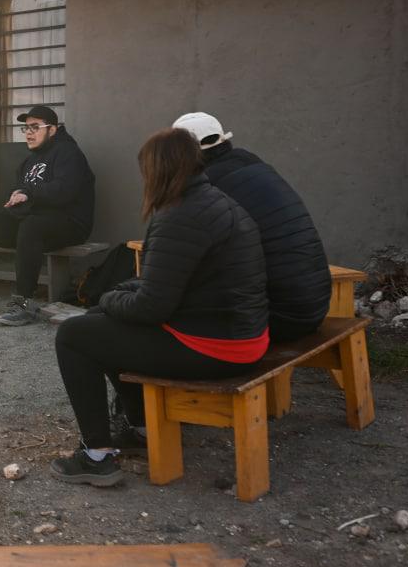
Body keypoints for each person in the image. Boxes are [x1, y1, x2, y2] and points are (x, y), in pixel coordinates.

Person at [50, 128, 267, 487]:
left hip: (218, 345)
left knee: (74, 334)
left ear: (157, 170)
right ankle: (141, 427)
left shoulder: (179, 214)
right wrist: (119, 298)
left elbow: (151, 308)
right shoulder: (214, 200)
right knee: (100, 325)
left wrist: (108, 297)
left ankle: (96, 455)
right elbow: (172, 282)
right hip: (240, 333)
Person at [174, 112, 331, 342]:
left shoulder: (207, 186)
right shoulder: (254, 165)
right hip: (314, 304)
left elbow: (186, 257)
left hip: (279, 317)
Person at [0, 106, 95, 326]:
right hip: (34, 222)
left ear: (52, 130)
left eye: (35, 127)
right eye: (26, 128)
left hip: (69, 223)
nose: (29, 133)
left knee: (31, 226)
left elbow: (64, 191)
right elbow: (24, 191)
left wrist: (28, 194)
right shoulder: (30, 160)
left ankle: (25, 302)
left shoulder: (69, 153)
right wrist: (15, 199)